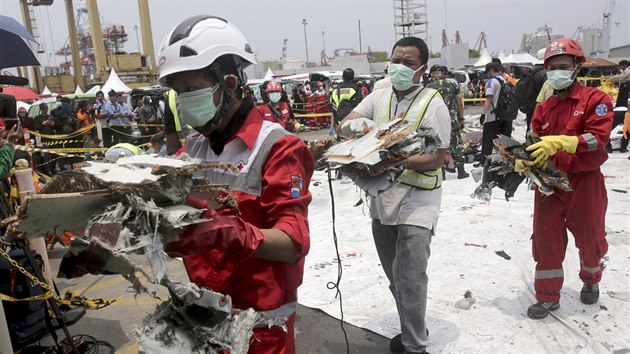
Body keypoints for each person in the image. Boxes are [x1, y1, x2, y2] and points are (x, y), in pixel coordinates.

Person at [157, 15, 313, 353]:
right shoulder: (194, 149)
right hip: (207, 317)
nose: (183, 101)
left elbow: (293, 242)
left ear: (228, 82)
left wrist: (236, 233)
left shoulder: (278, 147)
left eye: (191, 89)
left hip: (260, 326)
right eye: (177, 92)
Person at [337, 36, 450, 354]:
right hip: (383, 199)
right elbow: (346, 124)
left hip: (418, 202)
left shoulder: (433, 104)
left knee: (411, 277)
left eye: (409, 63)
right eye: (396, 60)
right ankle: (413, 324)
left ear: (422, 69)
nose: (400, 67)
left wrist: (392, 156)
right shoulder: (380, 96)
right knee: (395, 277)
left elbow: (437, 159)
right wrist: (370, 132)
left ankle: (415, 346)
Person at [521, 38, 613, 319]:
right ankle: (548, 297)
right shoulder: (544, 107)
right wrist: (523, 159)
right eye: (551, 68)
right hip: (549, 183)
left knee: (590, 240)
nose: (556, 72)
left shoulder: (596, 100)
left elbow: (599, 139)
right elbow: (535, 141)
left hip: (584, 183)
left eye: (562, 66)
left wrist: (564, 142)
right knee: (546, 241)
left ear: (577, 67)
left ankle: (591, 279)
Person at [427, 65, 468, 179]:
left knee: (437, 145)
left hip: (435, 122)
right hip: (452, 121)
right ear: (444, 74)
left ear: (431, 74)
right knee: (455, 144)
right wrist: (461, 118)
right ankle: (461, 171)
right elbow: (459, 103)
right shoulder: (452, 85)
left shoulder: (428, 88)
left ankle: (441, 172)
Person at [480, 62, 511, 164]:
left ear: (491, 71)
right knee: (502, 142)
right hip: (505, 116)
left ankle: (485, 162)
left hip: (492, 117)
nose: (487, 75)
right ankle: (503, 160)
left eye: (487, 72)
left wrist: (483, 114)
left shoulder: (491, 81)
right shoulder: (505, 79)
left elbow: (489, 99)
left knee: (488, 142)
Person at [162, 89, 191, 155]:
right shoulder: (215, 84)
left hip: (186, 155)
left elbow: (172, 148)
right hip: (187, 153)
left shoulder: (172, 95)